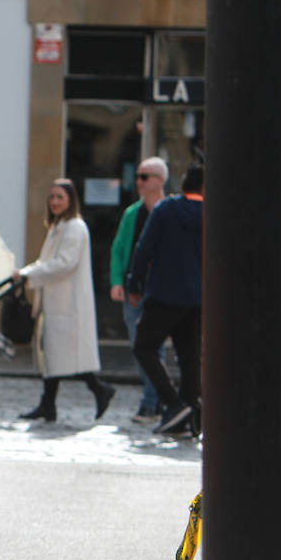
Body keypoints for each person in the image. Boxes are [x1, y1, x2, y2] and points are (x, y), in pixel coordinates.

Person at [12, 178, 116, 423]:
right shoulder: (58, 227)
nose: (55, 201)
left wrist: (28, 274)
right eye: (52, 197)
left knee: (65, 355)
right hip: (55, 301)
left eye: (60, 197)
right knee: (54, 354)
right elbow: (46, 261)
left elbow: (64, 264)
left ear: (71, 200)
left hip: (68, 303)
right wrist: (26, 272)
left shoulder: (75, 228)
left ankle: (99, 389)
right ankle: (49, 404)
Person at [128, 164, 204, 436]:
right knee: (189, 357)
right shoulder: (212, 213)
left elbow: (144, 247)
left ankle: (173, 404)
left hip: (164, 293)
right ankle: (191, 415)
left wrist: (134, 282)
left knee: (144, 347)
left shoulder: (166, 209)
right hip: (197, 298)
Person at [110, 157, 169, 422]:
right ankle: (157, 401)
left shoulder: (170, 210)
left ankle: (153, 402)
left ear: (160, 180)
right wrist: (117, 281)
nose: (139, 182)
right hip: (134, 291)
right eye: (138, 176)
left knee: (155, 349)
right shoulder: (132, 213)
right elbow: (119, 250)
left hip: (161, 291)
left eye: (145, 176)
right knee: (140, 346)